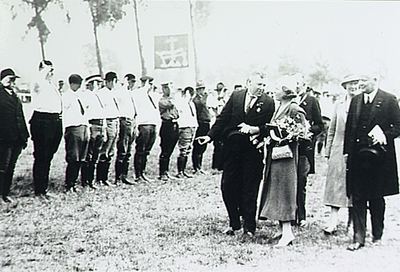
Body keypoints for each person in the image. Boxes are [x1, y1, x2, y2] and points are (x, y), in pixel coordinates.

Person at [197, 70, 275, 240]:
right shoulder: (237, 96)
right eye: (258, 84)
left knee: (249, 189)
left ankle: (249, 227)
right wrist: (210, 136)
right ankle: (234, 222)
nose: (261, 88)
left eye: (263, 85)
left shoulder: (269, 102)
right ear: (248, 83)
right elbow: (223, 118)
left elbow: (270, 126)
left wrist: (257, 130)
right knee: (228, 186)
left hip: (253, 152)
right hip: (233, 150)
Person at [344, 74, 400, 251]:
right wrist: (346, 152)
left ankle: (377, 234)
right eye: (359, 81)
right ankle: (358, 237)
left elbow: (398, 126)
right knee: (358, 196)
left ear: (375, 80)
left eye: (364, 81)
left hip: (379, 158)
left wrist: (384, 136)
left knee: (376, 196)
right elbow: (349, 128)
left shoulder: (389, 99)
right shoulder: (356, 100)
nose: (360, 84)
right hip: (357, 157)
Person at [259, 75, 309, 247]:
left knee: (285, 192)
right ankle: (281, 229)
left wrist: (287, 136)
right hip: (276, 155)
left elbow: (304, 134)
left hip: (287, 157)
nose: (274, 91)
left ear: (286, 92)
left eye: (277, 89)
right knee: (276, 190)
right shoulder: (279, 107)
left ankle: (288, 233)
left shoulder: (295, 109)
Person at [323, 74, 360, 234]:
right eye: (350, 84)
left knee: (353, 186)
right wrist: (328, 151)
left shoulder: (362, 103)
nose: (353, 86)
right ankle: (333, 222)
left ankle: (352, 223)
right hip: (338, 149)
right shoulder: (339, 104)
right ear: (344, 86)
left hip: (356, 151)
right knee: (335, 186)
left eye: (356, 83)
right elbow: (332, 129)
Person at [30, 60, 63, 199]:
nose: (51, 73)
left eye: (52, 70)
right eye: (49, 70)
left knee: (49, 155)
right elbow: (38, 80)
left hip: (54, 120)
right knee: (42, 156)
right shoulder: (37, 83)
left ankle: (44, 188)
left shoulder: (50, 85)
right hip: (42, 120)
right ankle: (39, 190)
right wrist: (45, 69)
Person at [294, 73, 324, 226]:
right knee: (289, 182)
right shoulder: (288, 101)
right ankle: (289, 215)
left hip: (304, 149)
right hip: (289, 148)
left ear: (305, 85)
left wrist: (308, 131)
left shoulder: (312, 101)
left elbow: (320, 125)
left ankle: (301, 215)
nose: (297, 86)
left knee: (301, 181)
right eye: (295, 83)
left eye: (300, 83)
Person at [0, 68, 29, 203]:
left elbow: (20, 116)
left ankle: (5, 193)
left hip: (17, 137)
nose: (12, 82)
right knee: (2, 167)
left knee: (11, 166)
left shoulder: (15, 95)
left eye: (13, 79)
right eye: (9, 79)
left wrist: (24, 136)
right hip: (4, 138)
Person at [62, 74, 89, 193]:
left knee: (81, 158)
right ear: (73, 84)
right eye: (78, 84)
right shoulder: (66, 96)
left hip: (82, 127)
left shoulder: (80, 96)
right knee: (73, 157)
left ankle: (74, 182)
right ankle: (69, 184)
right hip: (73, 128)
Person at [132, 75, 160, 182]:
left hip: (152, 124)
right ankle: (138, 174)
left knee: (146, 151)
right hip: (143, 125)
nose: (150, 86)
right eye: (149, 83)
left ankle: (142, 172)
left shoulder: (152, 95)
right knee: (140, 150)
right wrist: (145, 86)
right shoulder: (138, 93)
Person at [79, 74, 106, 189]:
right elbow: (84, 113)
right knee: (88, 155)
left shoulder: (97, 95)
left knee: (96, 154)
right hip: (92, 125)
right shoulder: (85, 95)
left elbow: (103, 113)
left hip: (100, 125)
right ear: (90, 84)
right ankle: (85, 181)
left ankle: (91, 180)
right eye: (96, 83)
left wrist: (104, 128)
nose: (98, 85)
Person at [96, 71, 120, 186]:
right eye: (114, 81)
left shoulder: (113, 93)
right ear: (109, 81)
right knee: (105, 150)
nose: (115, 84)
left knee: (111, 151)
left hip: (115, 121)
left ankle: (105, 177)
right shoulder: (102, 93)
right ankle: (100, 178)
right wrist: (105, 126)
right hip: (108, 121)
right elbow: (102, 111)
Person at [114, 73, 137, 185]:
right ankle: (118, 177)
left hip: (132, 121)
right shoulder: (120, 92)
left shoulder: (130, 93)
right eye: (131, 81)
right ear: (126, 80)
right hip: (124, 121)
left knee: (129, 150)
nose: (132, 83)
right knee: (122, 149)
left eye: (134, 82)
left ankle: (124, 175)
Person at [158, 82, 180, 181]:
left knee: (170, 149)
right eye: (167, 88)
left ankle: (166, 172)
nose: (169, 90)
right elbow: (171, 105)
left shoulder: (173, 99)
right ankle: (162, 172)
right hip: (167, 125)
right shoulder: (162, 100)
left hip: (175, 124)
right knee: (165, 150)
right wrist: (173, 96)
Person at [175, 86, 198, 178]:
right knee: (183, 149)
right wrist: (185, 95)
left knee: (188, 148)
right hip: (185, 127)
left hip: (192, 127)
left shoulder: (191, 104)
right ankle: (180, 171)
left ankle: (183, 171)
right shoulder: (182, 102)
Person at [208, 82, 230, 171]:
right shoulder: (213, 99)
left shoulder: (227, 99)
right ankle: (216, 164)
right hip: (217, 123)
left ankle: (221, 164)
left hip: (224, 124)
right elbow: (212, 109)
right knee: (217, 145)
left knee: (223, 144)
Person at [192, 80, 212, 175]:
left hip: (205, 122)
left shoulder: (201, 99)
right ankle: (196, 167)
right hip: (201, 123)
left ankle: (199, 166)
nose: (203, 91)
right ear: (198, 90)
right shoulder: (197, 100)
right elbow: (202, 104)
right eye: (201, 89)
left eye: (203, 88)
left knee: (203, 145)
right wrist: (206, 96)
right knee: (198, 145)